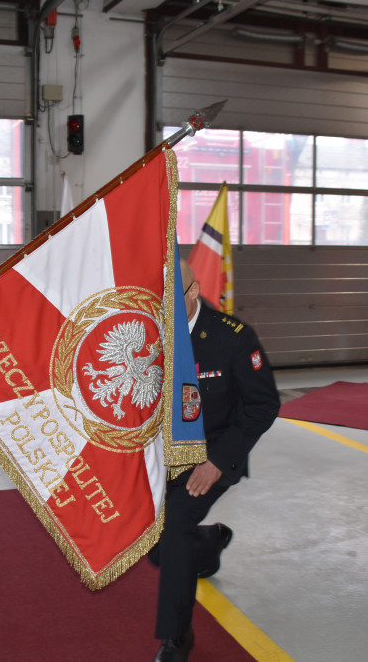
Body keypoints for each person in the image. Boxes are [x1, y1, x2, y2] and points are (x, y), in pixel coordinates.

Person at [149, 260, 280, 662]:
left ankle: (176, 638)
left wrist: (218, 462)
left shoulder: (233, 338)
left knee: (173, 527)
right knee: (156, 543)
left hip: (212, 452)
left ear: (193, 293)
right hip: (162, 452)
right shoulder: (151, 331)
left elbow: (263, 405)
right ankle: (208, 542)